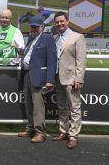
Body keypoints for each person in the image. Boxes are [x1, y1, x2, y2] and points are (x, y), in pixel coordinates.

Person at [17, 15, 57, 143]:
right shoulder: (31, 38)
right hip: (27, 75)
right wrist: (19, 50)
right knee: (28, 104)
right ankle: (31, 129)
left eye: (35, 26)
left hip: (39, 77)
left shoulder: (48, 38)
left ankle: (40, 132)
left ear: (42, 27)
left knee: (38, 106)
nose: (33, 28)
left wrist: (50, 79)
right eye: (31, 26)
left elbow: (52, 60)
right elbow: (29, 54)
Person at [52, 11, 86, 149]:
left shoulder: (78, 37)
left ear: (68, 22)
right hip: (57, 77)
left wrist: (79, 78)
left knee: (75, 108)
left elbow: (81, 60)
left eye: (62, 21)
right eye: (57, 22)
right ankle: (63, 131)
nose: (60, 24)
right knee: (61, 107)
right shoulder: (54, 38)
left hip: (72, 79)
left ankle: (73, 136)